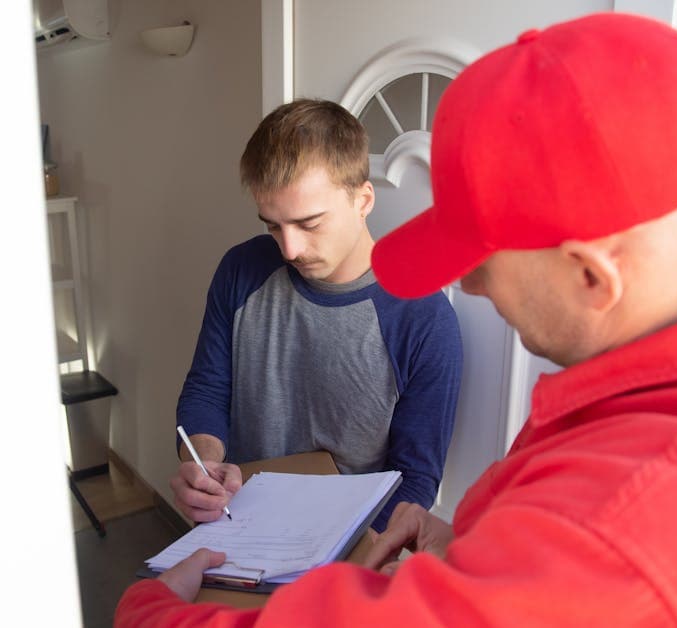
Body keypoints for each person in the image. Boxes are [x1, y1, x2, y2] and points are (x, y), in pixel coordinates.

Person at [117, 13, 677, 627]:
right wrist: (469, 540)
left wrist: (149, 611)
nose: (470, 286)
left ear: (592, 277)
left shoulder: (623, 525)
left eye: (480, 256)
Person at [170, 98, 463, 533]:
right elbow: (208, 390)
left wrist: (341, 557)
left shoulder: (423, 318)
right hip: (237, 528)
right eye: (272, 225)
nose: (289, 249)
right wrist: (204, 463)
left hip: (347, 547)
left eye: (309, 224)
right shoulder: (242, 269)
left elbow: (415, 478)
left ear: (364, 199)